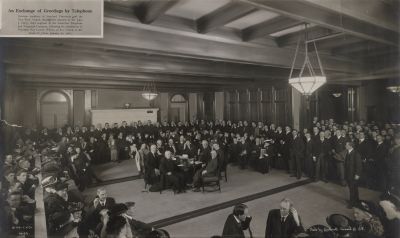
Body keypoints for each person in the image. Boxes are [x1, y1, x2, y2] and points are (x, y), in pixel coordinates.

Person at [344, 141, 362, 208]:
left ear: (350, 146)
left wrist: (357, 174)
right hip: (349, 174)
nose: (345, 146)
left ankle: (352, 203)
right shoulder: (348, 152)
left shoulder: (356, 153)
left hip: (353, 174)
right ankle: (356, 200)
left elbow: (359, 165)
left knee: (352, 189)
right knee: (353, 188)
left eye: (346, 144)